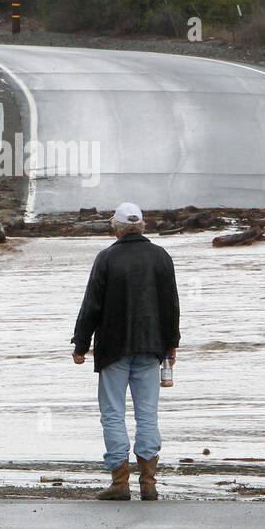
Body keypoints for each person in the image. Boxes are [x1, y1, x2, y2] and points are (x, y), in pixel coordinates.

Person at [71, 202, 180, 501]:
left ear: (115, 227)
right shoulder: (160, 257)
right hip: (151, 347)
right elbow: (171, 305)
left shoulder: (106, 258)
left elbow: (91, 305)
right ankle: (149, 483)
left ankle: (120, 483)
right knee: (148, 415)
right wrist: (172, 344)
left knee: (113, 414)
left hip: (113, 349)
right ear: (142, 226)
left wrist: (81, 344)